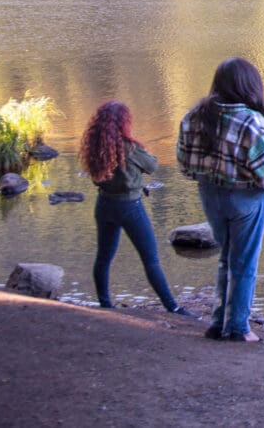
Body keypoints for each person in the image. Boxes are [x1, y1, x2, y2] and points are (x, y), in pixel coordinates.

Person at [177, 57, 264, 342]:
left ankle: (218, 323)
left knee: (226, 259)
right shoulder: (253, 123)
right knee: (244, 263)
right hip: (246, 200)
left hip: (209, 194)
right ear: (249, 86)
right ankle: (238, 327)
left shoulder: (194, 115)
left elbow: (184, 164)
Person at [79, 100, 193, 317]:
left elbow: (99, 177)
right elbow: (152, 165)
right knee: (150, 258)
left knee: (103, 257)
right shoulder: (130, 147)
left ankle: (105, 304)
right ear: (124, 123)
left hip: (104, 205)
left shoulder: (96, 148)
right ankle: (173, 307)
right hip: (130, 207)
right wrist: (145, 150)